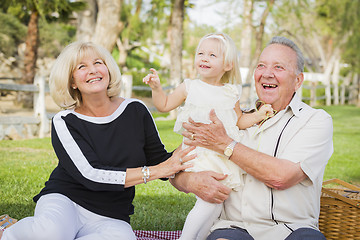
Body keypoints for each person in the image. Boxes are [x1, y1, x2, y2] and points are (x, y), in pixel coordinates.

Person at [0, 41, 195, 240]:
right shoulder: (65, 121)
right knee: (50, 233)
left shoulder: (136, 110)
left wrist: (194, 141)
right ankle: (7, 231)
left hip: (111, 214)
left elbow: (160, 161)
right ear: (72, 82)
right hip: (66, 200)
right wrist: (156, 171)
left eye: (98, 63)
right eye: (82, 67)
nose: (93, 70)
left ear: (108, 70)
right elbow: (91, 174)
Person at [170, 36, 333, 240]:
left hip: (292, 230)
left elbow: (281, 177)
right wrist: (190, 180)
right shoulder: (231, 118)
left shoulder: (314, 120)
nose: (267, 74)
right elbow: (175, 167)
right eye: (261, 66)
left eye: (278, 68)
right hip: (234, 228)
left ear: (298, 81)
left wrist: (225, 144)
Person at [143, 33, 274, 240]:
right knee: (209, 201)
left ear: (228, 64)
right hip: (199, 153)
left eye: (212, 55)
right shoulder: (190, 87)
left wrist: (258, 115)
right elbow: (164, 105)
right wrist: (157, 88)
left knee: (215, 202)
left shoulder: (231, 92)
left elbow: (238, 122)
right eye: (201, 53)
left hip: (222, 155)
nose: (204, 58)